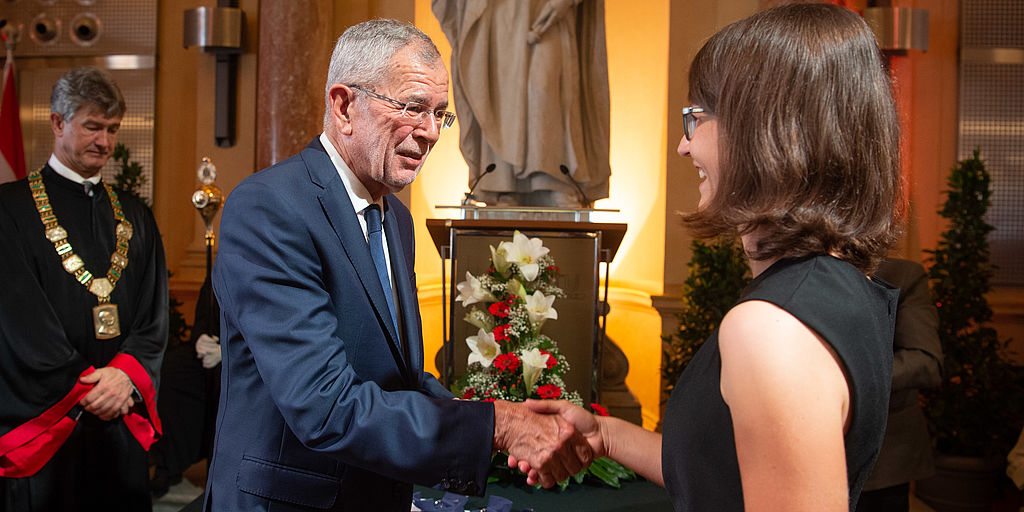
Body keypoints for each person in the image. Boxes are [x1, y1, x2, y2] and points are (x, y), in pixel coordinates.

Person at [514, 4, 904, 511]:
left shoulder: (771, 328)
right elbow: (724, 472)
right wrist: (607, 438)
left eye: (696, 118)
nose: (683, 144)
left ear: (765, 129)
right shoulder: (834, 286)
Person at [205, 19, 589, 511]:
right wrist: (499, 426)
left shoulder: (397, 220)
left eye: (440, 114)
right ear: (344, 106)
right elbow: (325, 406)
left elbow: (398, 379)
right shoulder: (271, 208)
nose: (430, 133)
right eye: (412, 108)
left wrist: (499, 417)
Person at [0, 66, 167, 510]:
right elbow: (17, 319)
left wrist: (125, 375)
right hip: (48, 427)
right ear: (58, 123)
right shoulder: (10, 210)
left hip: (121, 416)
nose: (105, 143)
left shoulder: (135, 214)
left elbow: (154, 314)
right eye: (93, 127)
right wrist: (86, 387)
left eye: (112, 129)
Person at [432, 0, 611, 207]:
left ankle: (555, 181)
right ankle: (503, 183)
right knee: (500, 89)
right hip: (497, 10)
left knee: (546, 87)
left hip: (549, 10)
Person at [858, 258, 943, 512]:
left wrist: (845, 376)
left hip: (882, 460)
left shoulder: (900, 275)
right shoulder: (790, 269)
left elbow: (926, 362)